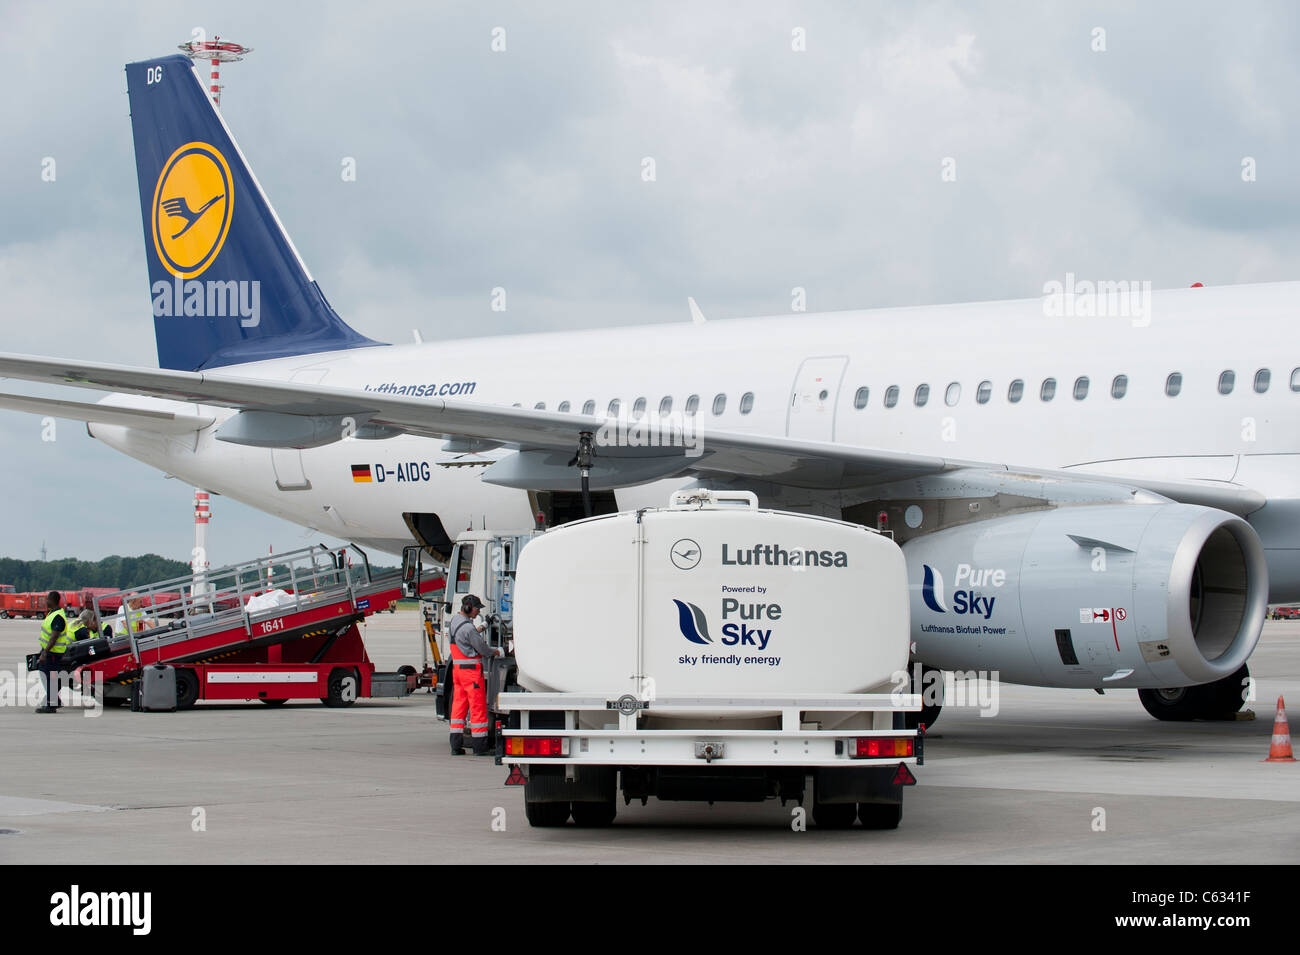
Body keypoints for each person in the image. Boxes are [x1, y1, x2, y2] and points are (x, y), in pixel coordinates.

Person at [447, 594, 503, 756]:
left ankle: (456, 746)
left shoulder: (456, 622)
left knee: (458, 708)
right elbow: (482, 649)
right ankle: (480, 747)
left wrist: (483, 626)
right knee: (477, 708)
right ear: (468, 607)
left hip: (458, 673)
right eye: (477, 608)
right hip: (471, 673)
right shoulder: (468, 628)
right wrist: (498, 651)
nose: (478, 612)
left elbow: (467, 636)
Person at [35, 591, 75, 713]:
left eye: (47, 599)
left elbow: (54, 636)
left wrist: (45, 652)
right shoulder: (53, 614)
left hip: (52, 652)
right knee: (46, 674)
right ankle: (54, 700)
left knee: (50, 677)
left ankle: (51, 705)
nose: (46, 601)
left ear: (52, 600)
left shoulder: (57, 616)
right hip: (49, 651)